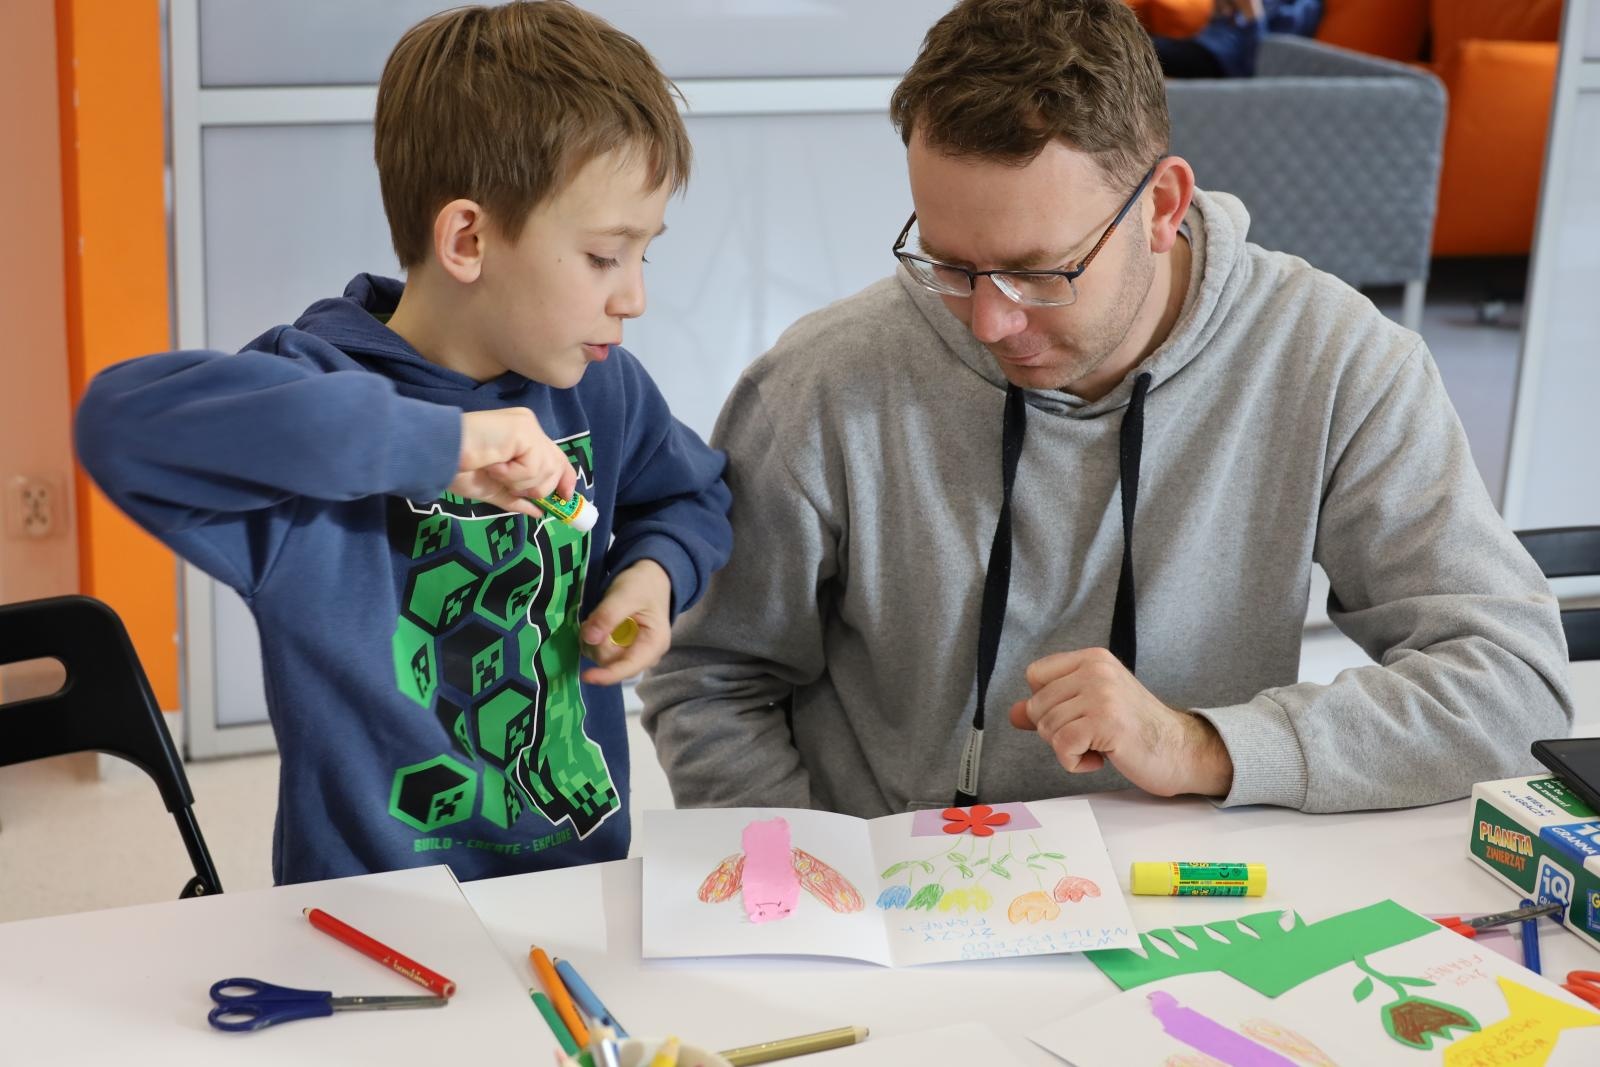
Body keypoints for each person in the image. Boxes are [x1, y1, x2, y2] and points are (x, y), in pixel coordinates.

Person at [640, 0, 1570, 819]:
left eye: (1041, 272)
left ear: (1162, 206)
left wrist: (1202, 745)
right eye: (951, 264)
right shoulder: (823, 383)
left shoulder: (1335, 360)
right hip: (893, 910)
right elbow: (711, 680)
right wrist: (801, 883)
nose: (991, 319)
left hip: (1193, 895)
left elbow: (1511, 684)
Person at [75, 1, 731, 884]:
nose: (635, 297)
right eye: (605, 257)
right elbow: (119, 422)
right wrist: (439, 443)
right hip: (370, 916)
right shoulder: (311, 397)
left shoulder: (600, 386)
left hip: (575, 885)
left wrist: (651, 578)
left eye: (646, 253)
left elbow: (689, 494)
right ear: (468, 238)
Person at [1148, 0, 1324, 79]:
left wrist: (1251, 12)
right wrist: (1219, 10)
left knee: (1144, 49)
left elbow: (1262, 62)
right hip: (1201, 46)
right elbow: (1218, 29)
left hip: (1223, 64)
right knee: (1146, 44)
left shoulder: (1303, 8)